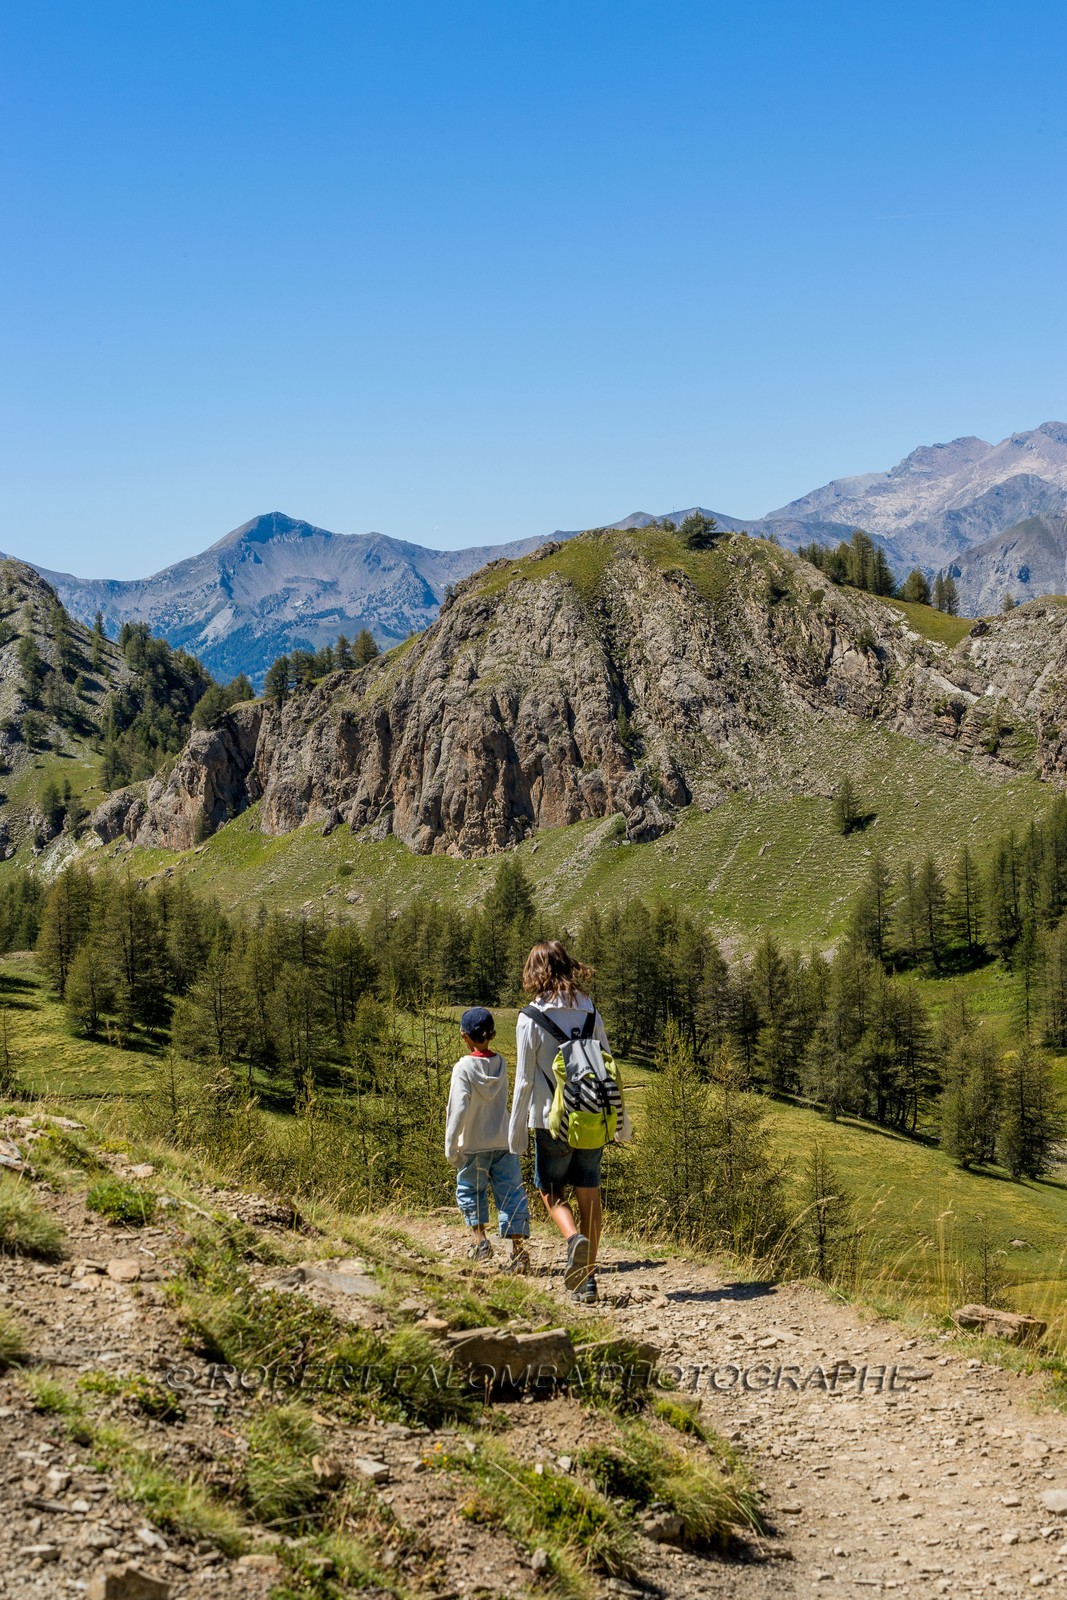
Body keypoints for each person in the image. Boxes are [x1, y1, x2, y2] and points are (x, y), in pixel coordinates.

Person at [508, 941, 629, 1304]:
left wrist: (516, 1133)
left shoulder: (530, 1017)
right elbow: (609, 1067)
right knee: (589, 1193)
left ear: (534, 972)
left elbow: (525, 1080)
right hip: (592, 1116)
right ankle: (588, 1280)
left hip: (550, 1120)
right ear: (568, 966)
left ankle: (572, 1237)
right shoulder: (589, 1009)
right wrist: (621, 1123)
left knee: (550, 1190)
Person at [445, 1006, 531, 1271]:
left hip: (474, 1143)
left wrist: (451, 1146)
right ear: (491, 1034)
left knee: (471, 1191)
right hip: (503, 1140)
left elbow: (458, 1108)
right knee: (511, 1193)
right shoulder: (501, 1063)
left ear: (464, 1036)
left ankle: (480, 1241)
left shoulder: (463, 1068)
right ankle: (518, 1253)